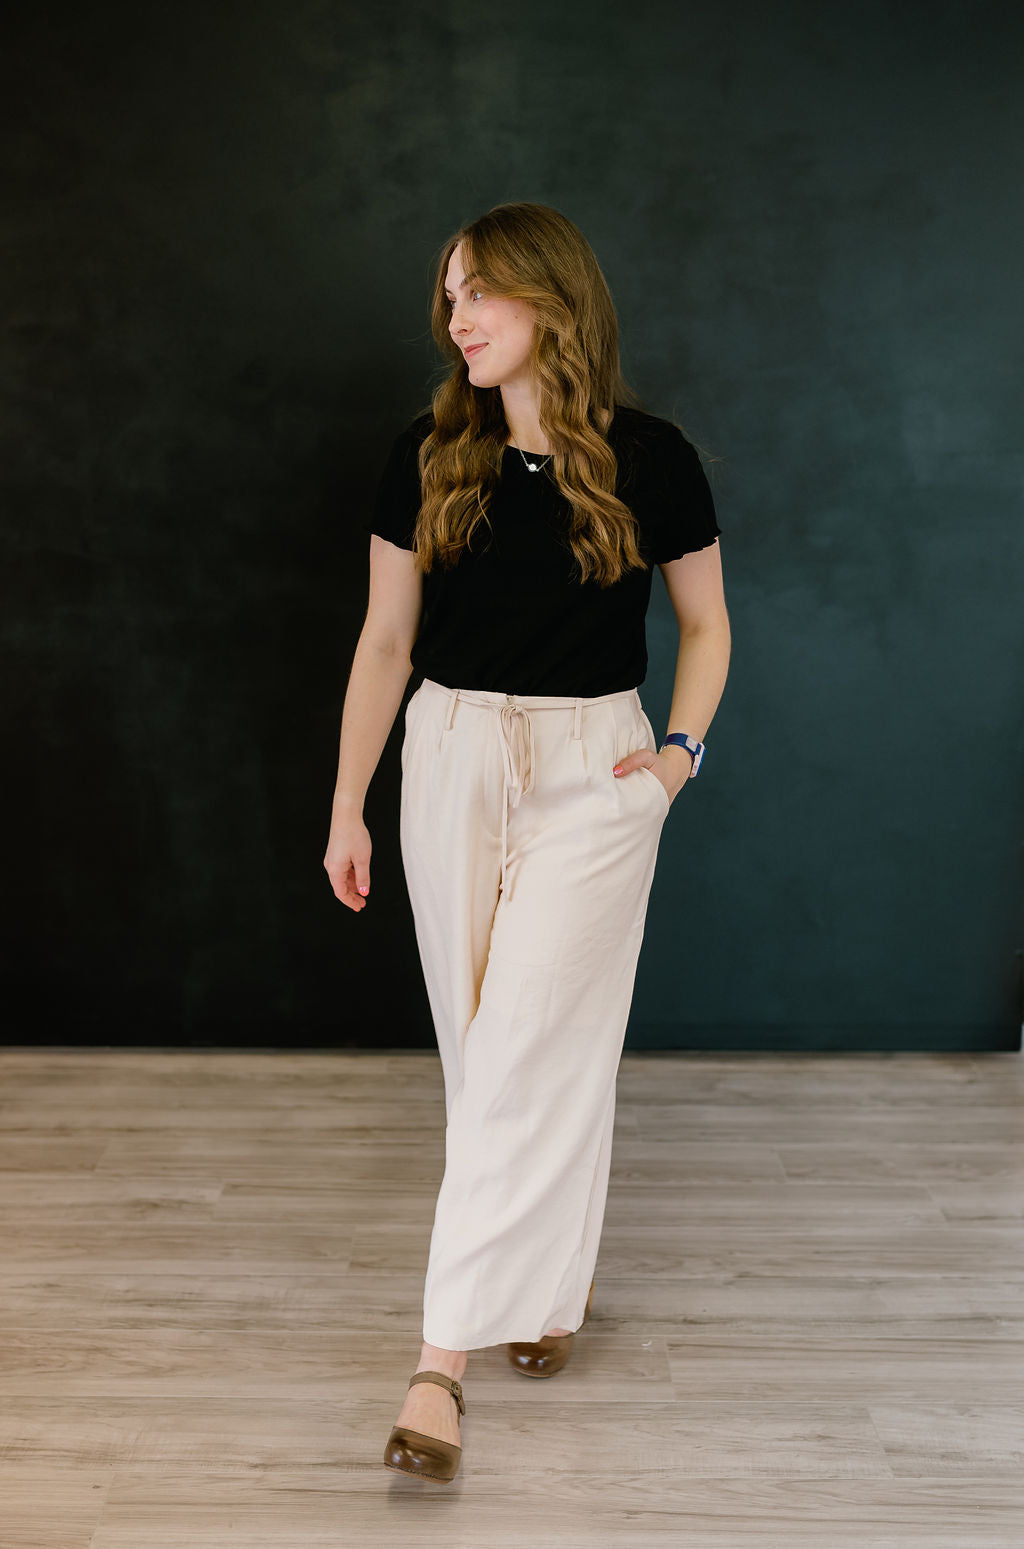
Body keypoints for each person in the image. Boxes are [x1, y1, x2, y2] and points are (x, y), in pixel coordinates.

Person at [324, 201, 731, 1483]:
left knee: (532, 1043)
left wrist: (676, 761)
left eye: (481, 291)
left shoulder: (652, 458)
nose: (458, 317)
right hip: (449, 753)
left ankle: (437, 1366)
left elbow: (706, 626)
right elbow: (385, 642)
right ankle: (547, 1283)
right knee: (483, 1051)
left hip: (593, 770)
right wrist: (347, 801)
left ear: (552, 298)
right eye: (449, 295)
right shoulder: (426, 456)